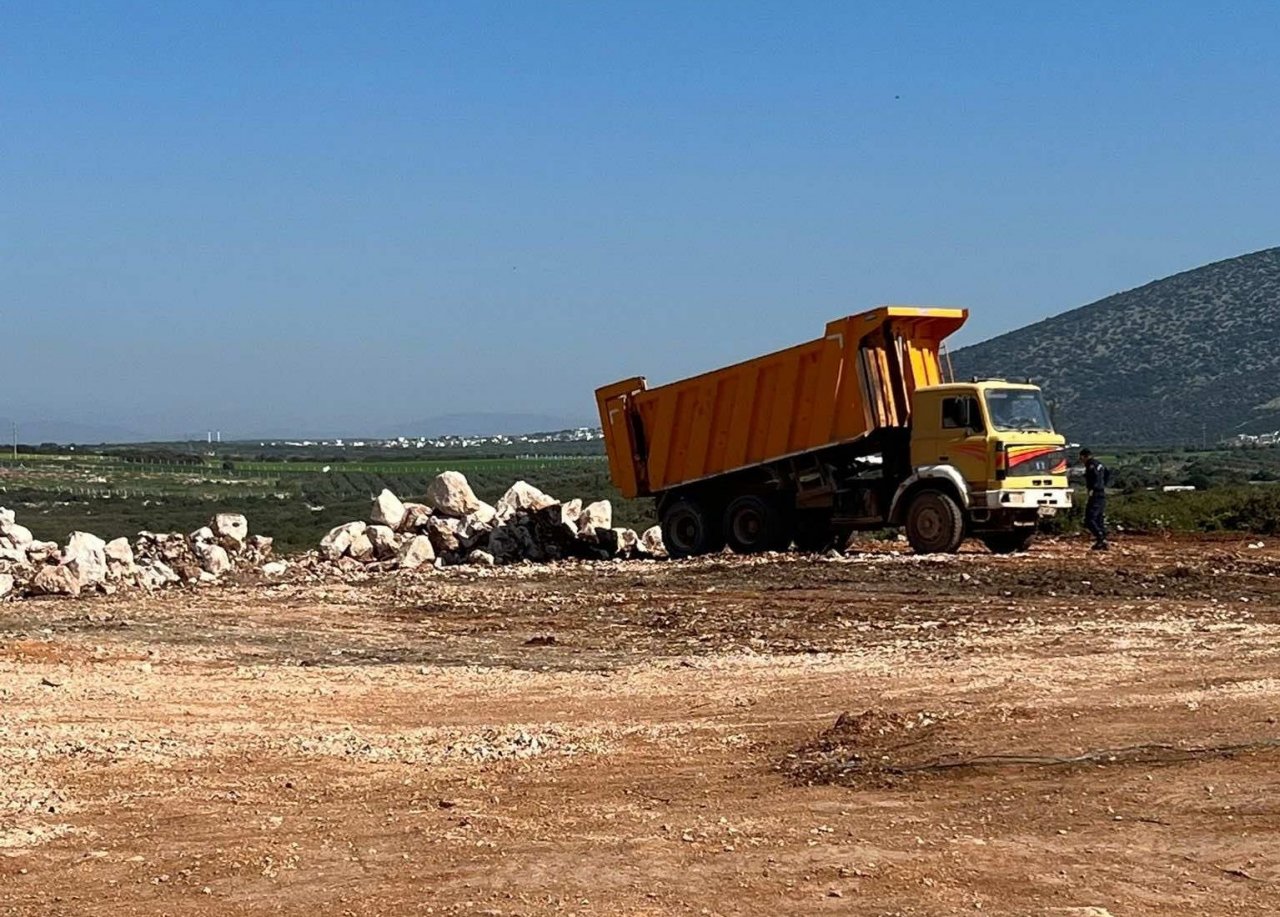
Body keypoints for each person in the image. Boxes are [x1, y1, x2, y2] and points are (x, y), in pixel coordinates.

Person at [1079, 448, 1109, 550]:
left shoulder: (1090, 465)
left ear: (1084, 456)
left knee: (1089, 519)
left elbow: (1094, 477)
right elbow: (1107, 474)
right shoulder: (1099, 464)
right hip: (1102, 493)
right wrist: (1103, 485)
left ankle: (1100, 538)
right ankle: (1103, 539)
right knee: (1099, 518)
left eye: (1081, 458)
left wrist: (1093, 488)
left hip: (1095, 493)